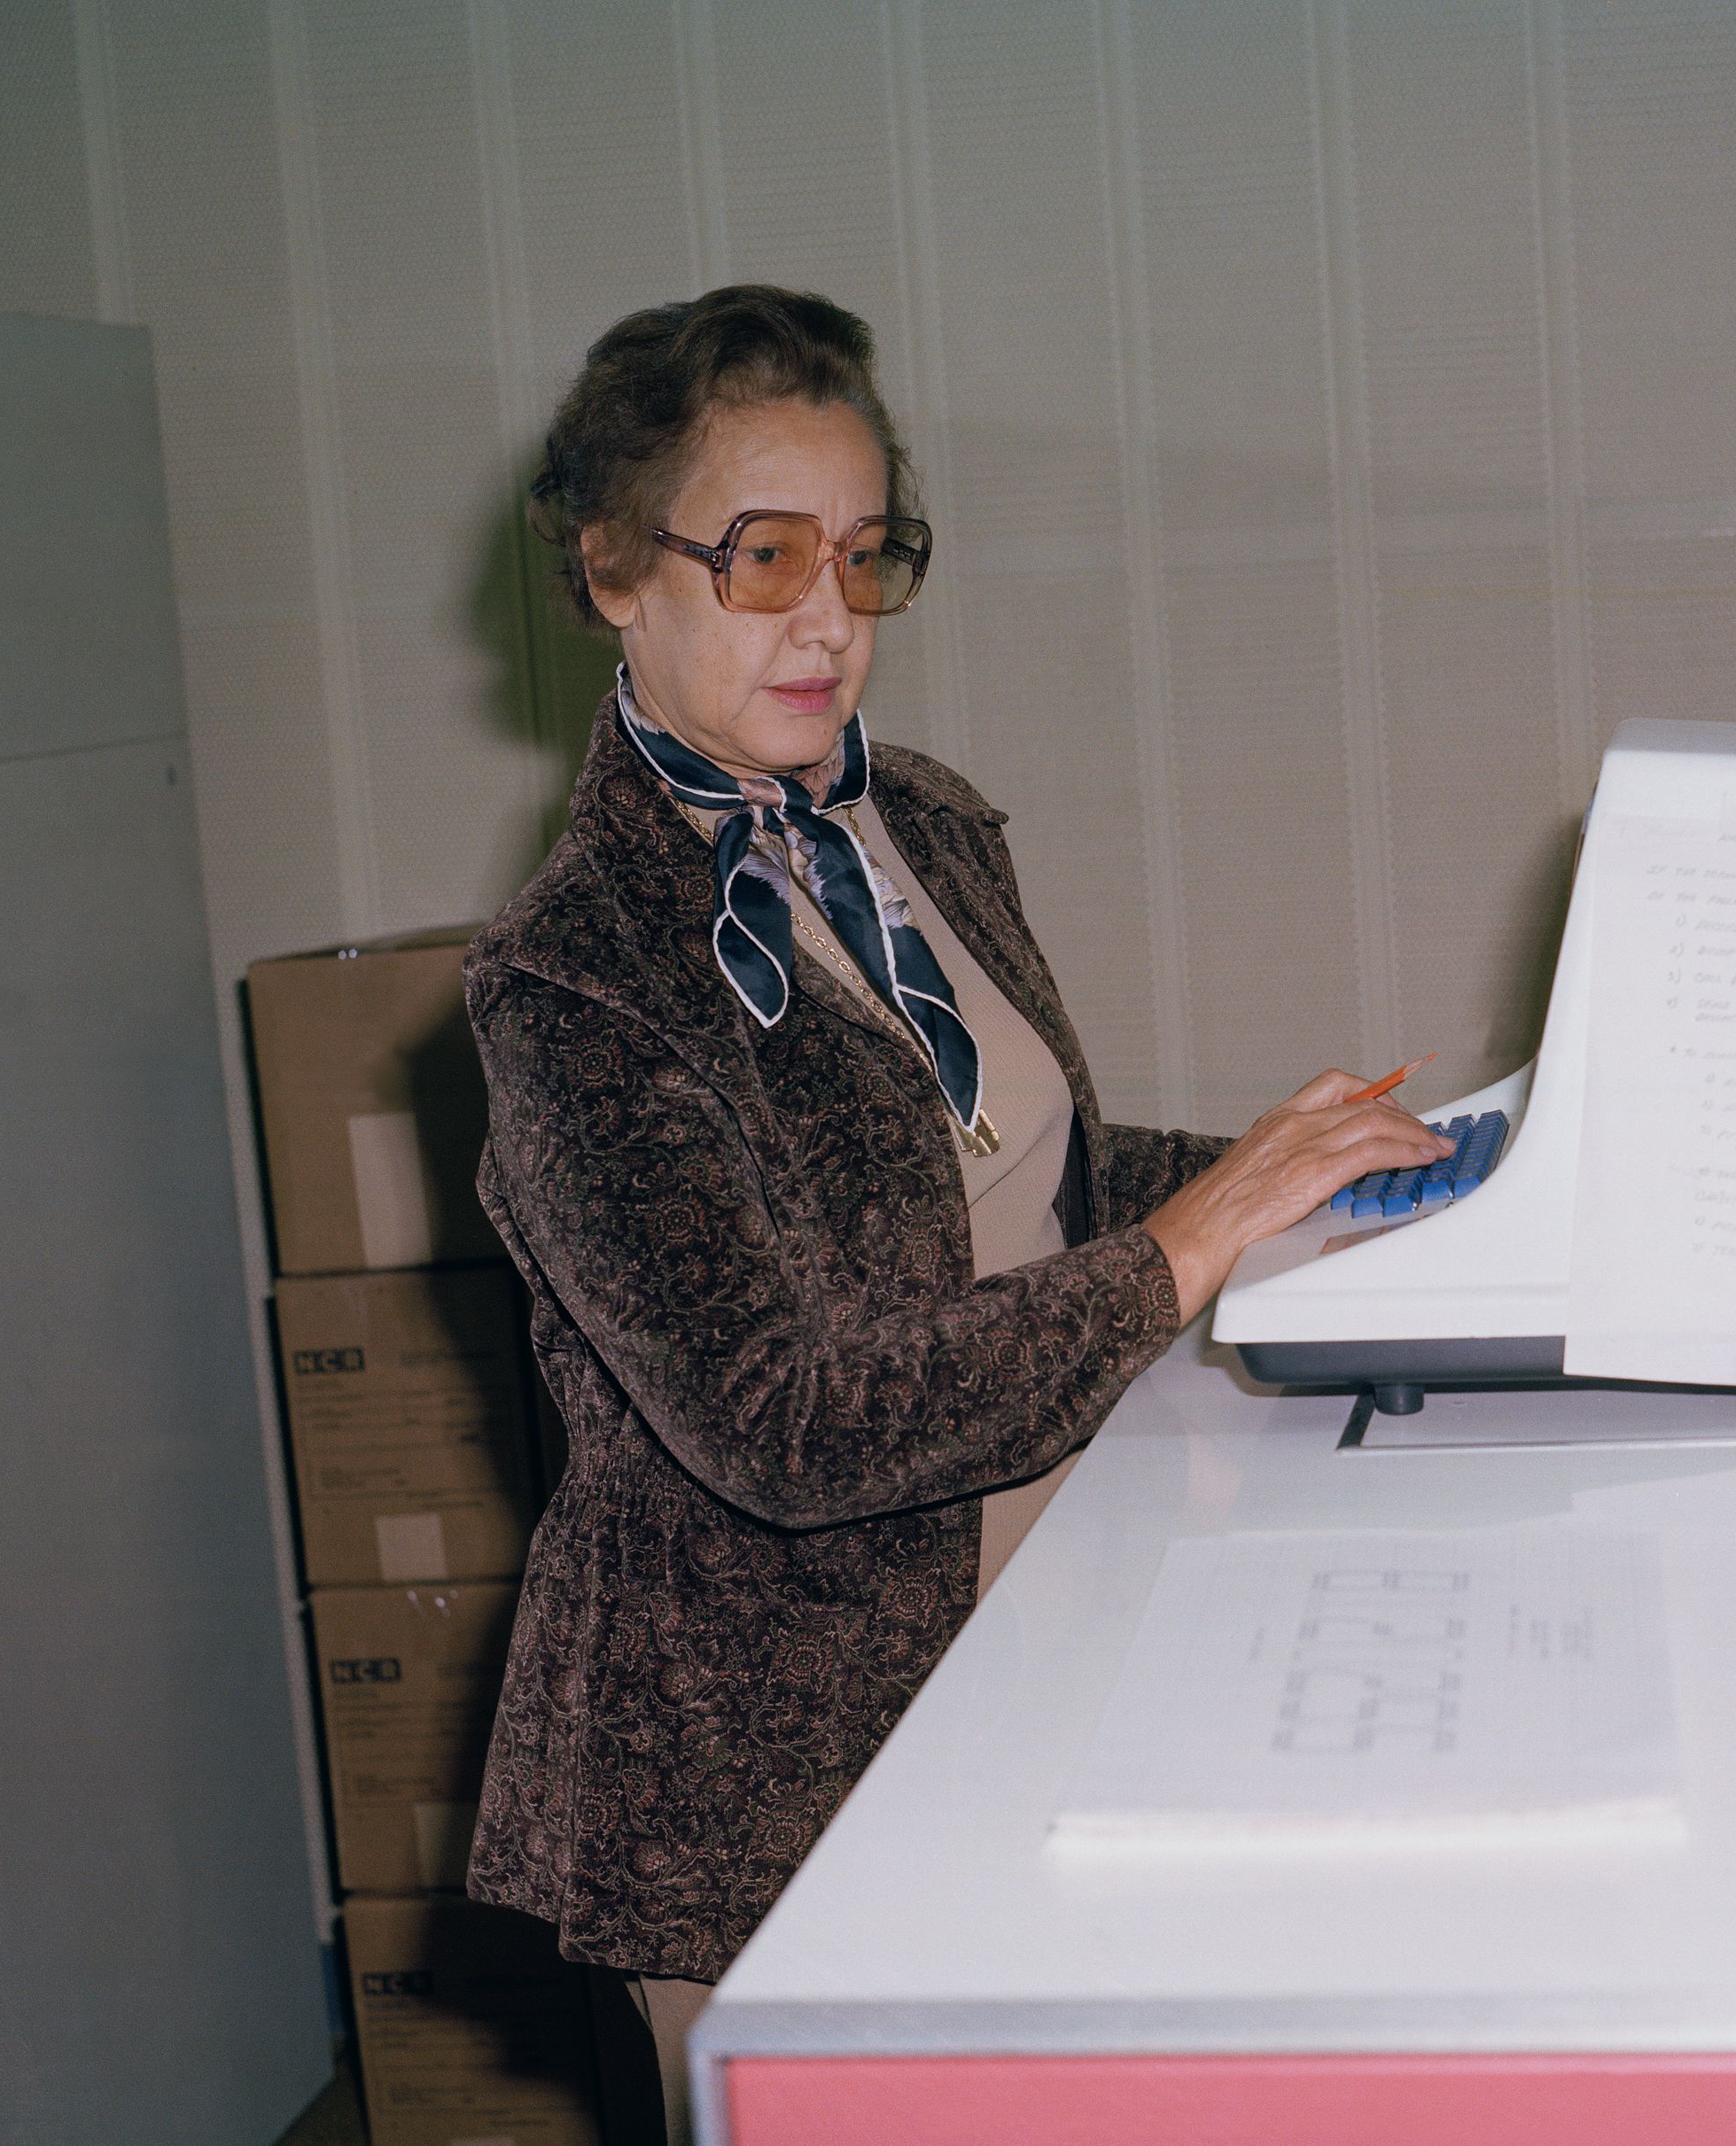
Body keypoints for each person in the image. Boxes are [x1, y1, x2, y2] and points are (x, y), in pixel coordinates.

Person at [462, 285, 1449, 2138]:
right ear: (611, 567)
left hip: (1052, 1608)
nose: (829, 618)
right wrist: (1188, 1246)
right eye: (761, 559)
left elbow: (1021, 1185)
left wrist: (1302, 1177)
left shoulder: (918, 820)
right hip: (772, 1746)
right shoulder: (569, 975)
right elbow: (783, 1415)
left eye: (864, 554)